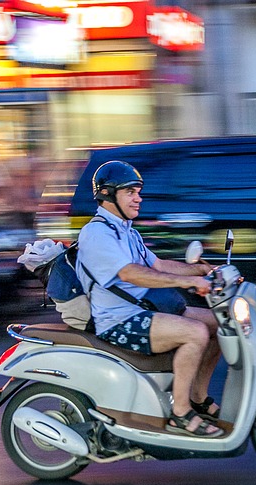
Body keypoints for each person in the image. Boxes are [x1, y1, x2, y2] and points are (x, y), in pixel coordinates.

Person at [76, 160, 224, 438]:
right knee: (195, 333)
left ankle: (197, 397)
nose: (138, 197)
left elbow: (157, 266)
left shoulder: (126, 231)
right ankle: (180, 414)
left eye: (138, 191)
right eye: (130, 191)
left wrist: (203, 270)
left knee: (221, 324)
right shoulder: (97, 234)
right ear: (108, 194)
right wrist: (187, 282)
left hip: (142, 310)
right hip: (119, 321)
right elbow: (130, 273)